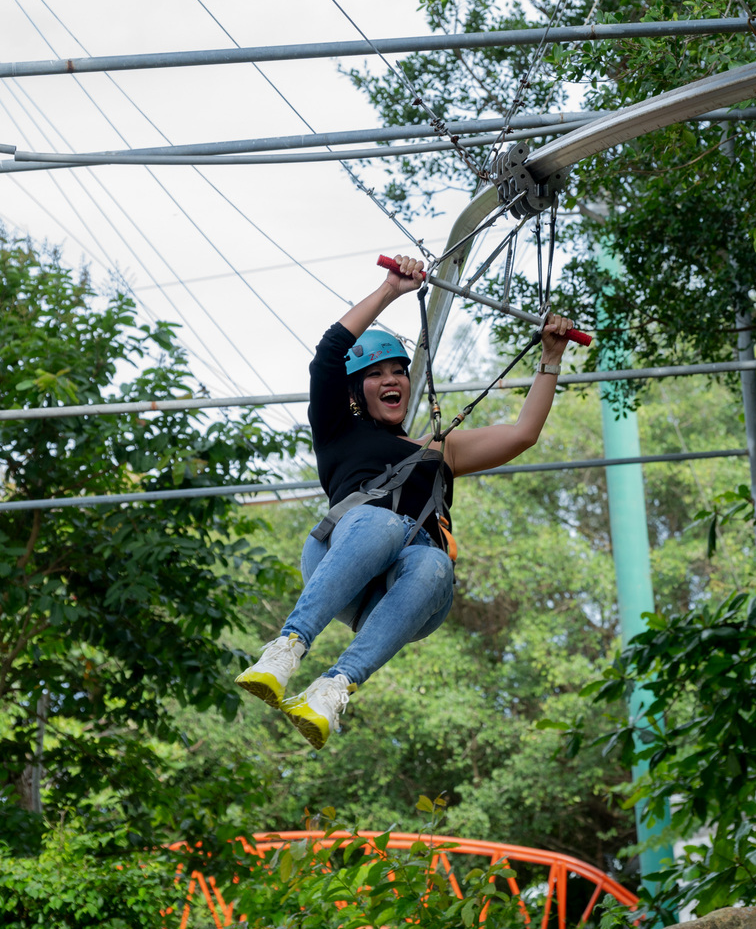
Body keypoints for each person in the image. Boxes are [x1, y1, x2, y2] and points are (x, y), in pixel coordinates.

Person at [235, 254, 575, 748]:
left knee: (436, 563)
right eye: (377, 374)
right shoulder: (338, 432)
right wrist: (391, 290)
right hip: (341, 557)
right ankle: (288, 647)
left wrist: (551, 360)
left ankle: (334, 688)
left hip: (403, 592)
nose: (392, 379)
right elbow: (328, 354)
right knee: (382, 525)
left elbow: (523, 434)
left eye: (399, 371)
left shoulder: (441, 450)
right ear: (356, 392)